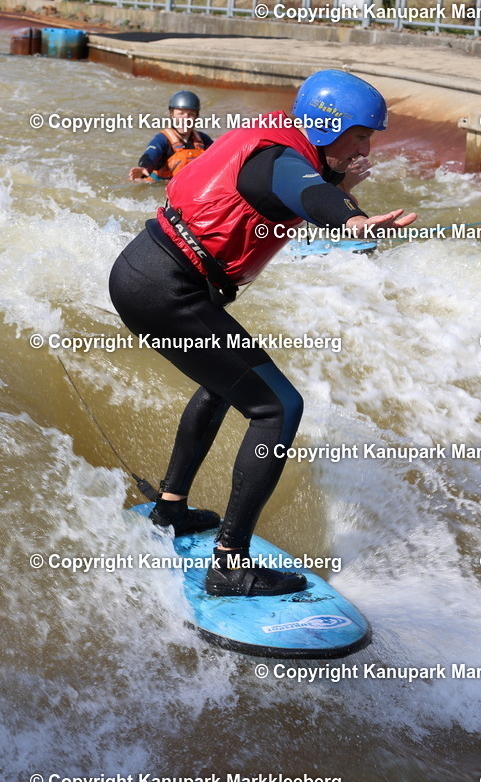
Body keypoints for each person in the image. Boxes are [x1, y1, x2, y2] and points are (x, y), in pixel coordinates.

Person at [109, 70, 416, 597]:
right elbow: (307, 192)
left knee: (222, 385)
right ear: (327, 126)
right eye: (362, 134)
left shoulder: (283, 145)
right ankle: (230, 563)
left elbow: (307, 186)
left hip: (151, 277)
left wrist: (344, 190)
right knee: (278, 407)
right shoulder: (277, 161)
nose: (369, 147)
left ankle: (170, 510)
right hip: (166, 290)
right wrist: (352, 220)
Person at [129, 90, 213, 183]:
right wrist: (143, 167)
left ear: (196, 117)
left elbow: (219, 158)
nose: (186, 119)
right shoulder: (162, 139)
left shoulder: (204, 139)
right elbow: (151, 155)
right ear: (172, 115)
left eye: (191, 114)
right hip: (161, 187)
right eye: (181, 114)